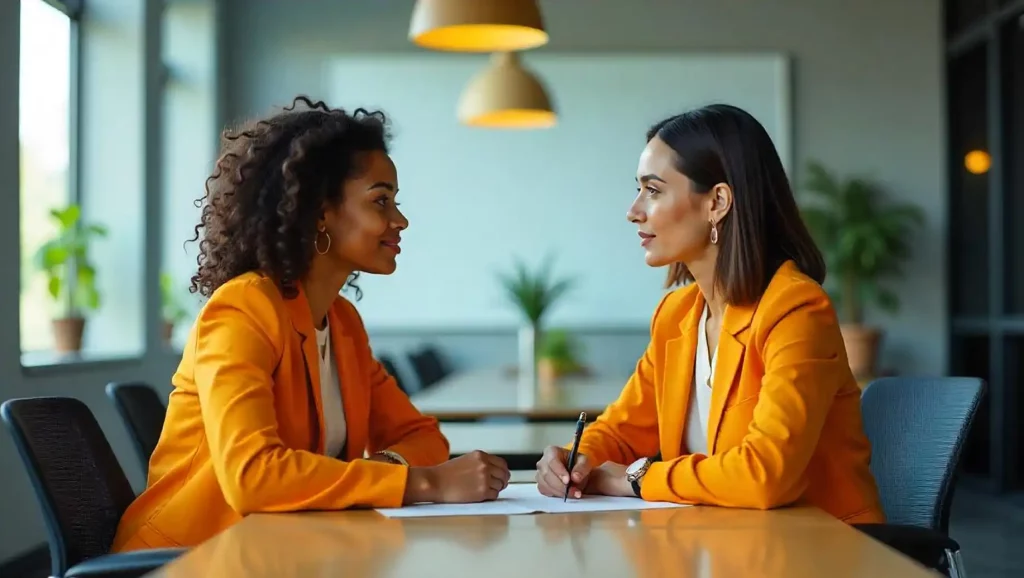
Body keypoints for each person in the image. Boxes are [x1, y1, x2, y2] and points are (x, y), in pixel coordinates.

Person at [112, 96, 511, 552]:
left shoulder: (342, 323)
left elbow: (421, 436)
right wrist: (424, 485)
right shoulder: (242, 308)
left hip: (286, 550)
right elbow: (253, 478)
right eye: (381, 201)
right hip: (193, 556)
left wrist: (388, 466)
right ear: (320, 210)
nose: (399, 220)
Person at [536, 104, 884, 524]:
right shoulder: (676, 315)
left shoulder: (795, 310)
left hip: (820, 550)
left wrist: (636, 477)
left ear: (717, 202)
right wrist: (578, 460)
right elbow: (623, 432)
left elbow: (765, 474)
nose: (634, 210)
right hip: (723, 544)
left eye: (654, 190)